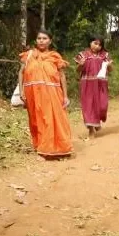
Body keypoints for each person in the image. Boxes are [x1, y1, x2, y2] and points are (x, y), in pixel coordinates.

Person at [18, 30, 73, 158]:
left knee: (51, 118)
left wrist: (65, 96)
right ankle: (41, 146)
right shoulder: (28, 55)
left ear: (50, 41)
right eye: (39, 38)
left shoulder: (55, 56)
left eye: (44, 38)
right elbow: (21, 72)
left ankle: (55, 148)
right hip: (32, 93)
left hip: (52, 93)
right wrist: (21, 91)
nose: (41, 41)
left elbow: (62, 76)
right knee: (36, 119)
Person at [75, 35, 112, 139]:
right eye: (95, 43)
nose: (97, 46)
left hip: (101, 84)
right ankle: (91, 129)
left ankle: (97, 121)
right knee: (89, 106)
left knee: (102, 106)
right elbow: (78, 71)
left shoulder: (105, 55)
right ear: (90, 42)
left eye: (100, 45)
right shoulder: (82, 55)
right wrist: (81, 65)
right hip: (87, 84)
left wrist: (109, 66)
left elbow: (110, 70)